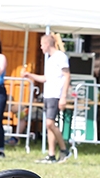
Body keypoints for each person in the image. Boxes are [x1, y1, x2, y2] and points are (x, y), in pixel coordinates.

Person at [24, 33, 71, 163]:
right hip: (48, 94)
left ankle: (64, 149)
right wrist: (30, 75)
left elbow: (67, 76)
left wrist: (63, 96)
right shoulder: (50, 59)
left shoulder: (60, 57)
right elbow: (45, 78)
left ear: (47, 44)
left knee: (50, 123)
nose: (41, 47)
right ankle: (51, 155)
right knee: (49, 125)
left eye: (41, 45)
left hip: (56, 95)